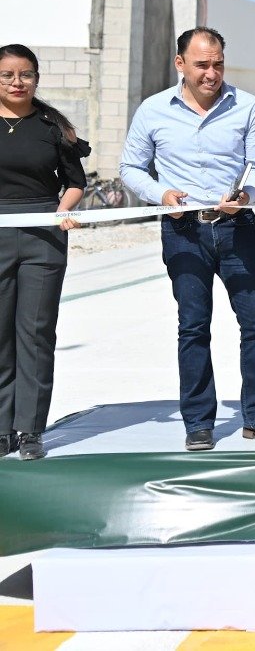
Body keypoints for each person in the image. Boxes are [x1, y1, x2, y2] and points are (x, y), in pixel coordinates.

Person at [119, 27, 255, 451]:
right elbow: (131, 167)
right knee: (193, 327)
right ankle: (198, 422)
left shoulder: (247, 106)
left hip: (237, 228)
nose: (211, 73)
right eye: (202, 65)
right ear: (181, 64)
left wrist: (246, 195)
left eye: (217, 64)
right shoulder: (153, 110)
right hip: (183, 231)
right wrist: (161, 195)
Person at [0, 44, 87, 461]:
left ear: (36, 77)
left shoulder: (54, 127)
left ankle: (30, 429)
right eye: (8, 75)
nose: (18, 82)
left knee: (35, 334)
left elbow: (74, 182)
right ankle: (1, 430)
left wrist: (62, 211)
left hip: (44, 237)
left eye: (26, 74)